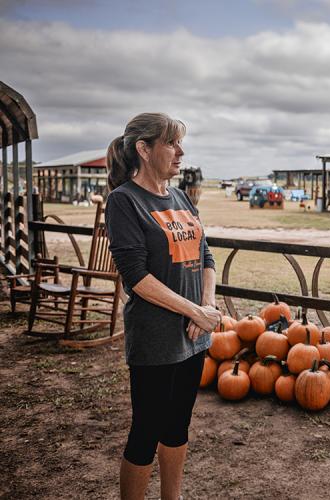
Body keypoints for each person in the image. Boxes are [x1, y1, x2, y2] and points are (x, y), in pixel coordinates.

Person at [105, 113, 222, 500]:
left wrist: (205, 308)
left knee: (178, 425)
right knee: (147, 430)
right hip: (155, 340)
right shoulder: (124, 202)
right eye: (171, 143)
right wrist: (193, 311)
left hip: (193, 336)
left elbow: (206, 256)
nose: (180, 151)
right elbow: (135, 276)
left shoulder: (180, 197)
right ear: (144, 149)